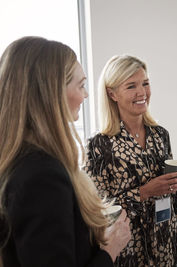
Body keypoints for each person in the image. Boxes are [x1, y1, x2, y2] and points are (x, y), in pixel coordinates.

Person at [0, 37, 130, 266]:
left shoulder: (23, 162)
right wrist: (110, 250)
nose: (86, 95)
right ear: (51, 93)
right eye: (80, 85)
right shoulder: (41, 175)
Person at [84, 55, 177, 266]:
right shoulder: (98, 145)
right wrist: (144, 192)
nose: (142, 92)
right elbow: (96, 211)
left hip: (165, 241)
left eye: (145, 83)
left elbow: (172, 196)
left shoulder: (161, 135)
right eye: (131, 86)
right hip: (126, 247)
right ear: (111, 93)